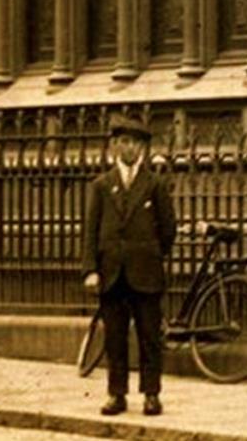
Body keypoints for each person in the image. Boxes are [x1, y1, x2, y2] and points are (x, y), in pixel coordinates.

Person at [82, 113, 176, 417]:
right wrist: (91, 270)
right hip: (112, 274)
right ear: (114, 146)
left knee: (150, 336)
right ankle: (116, 394)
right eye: (124, 141)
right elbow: (91, 230)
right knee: (115, 337)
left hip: (145, 274)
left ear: (143, 149)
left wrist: (149, 254)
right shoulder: (101, 185)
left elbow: (168, 230)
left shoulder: (155, 184)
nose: (130, 148)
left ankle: (151, 394)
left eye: (136, 143)